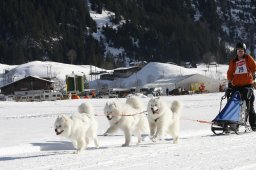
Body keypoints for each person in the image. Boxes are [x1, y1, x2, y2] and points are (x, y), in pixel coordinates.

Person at [227, 42, 256, 131]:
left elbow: (255, 67)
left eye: (242, 51)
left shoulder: (248, 59)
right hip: (236, 87)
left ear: (244, 51)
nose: (240, 52)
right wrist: (230, 83)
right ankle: (233, 123)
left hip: (247, 86)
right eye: (239, 50)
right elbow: (229, 74)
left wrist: (254, 76)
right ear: (236, 51)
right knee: (234, 105)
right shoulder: (233, 61)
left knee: (249, 105)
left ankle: (253, 125)